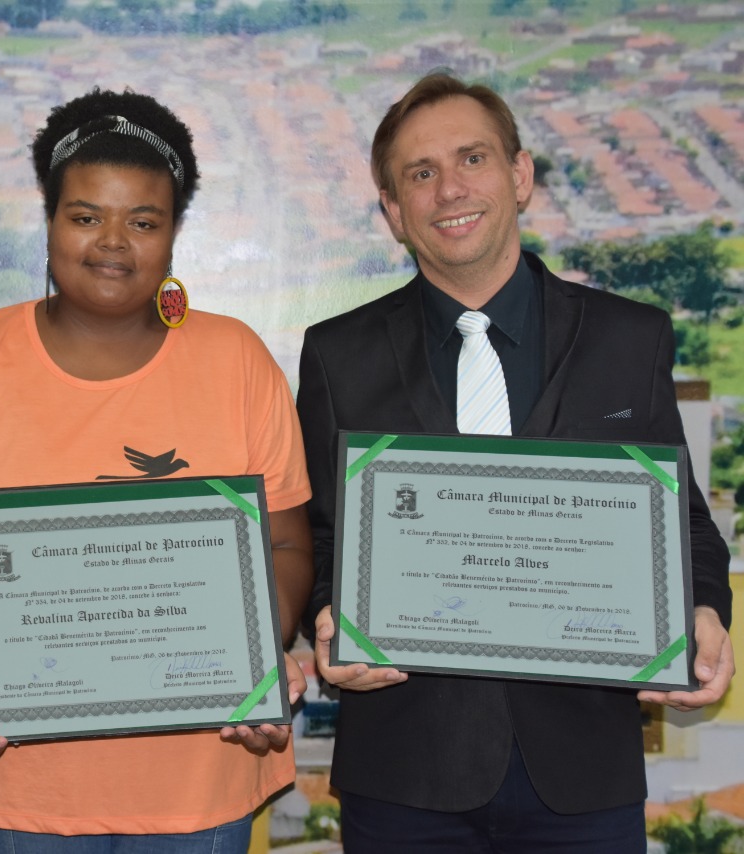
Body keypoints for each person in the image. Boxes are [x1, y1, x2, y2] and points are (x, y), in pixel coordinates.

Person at [297, 72, 734, 852]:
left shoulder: (628, 339)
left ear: (520, 175)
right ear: (394, 212)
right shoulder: (338, 355)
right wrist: (330, 619)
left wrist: (702, 612)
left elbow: (684, 527)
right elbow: (323, 538)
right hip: (403, 777)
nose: (449, 190)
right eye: (420, 174)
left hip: (583, 775)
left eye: (473, 159)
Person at [0, 88, 313, 851]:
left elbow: (285, 547)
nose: (113, 242)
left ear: (174, 236)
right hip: (7, 774)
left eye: (142, 221)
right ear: (47, 223)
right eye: (85, 216)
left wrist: (247, 661)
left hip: (195, 770)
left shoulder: (237, 359)